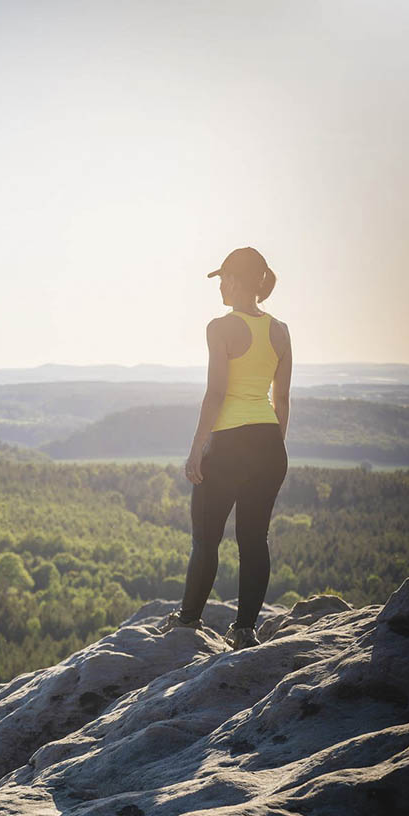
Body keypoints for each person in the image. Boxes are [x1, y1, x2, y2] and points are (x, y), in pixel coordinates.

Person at [160, 246, 291, 649]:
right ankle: (244, 630)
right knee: (254, 538)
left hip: (229, 444)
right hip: (269, 443)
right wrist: (271, 447)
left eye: (222, 278)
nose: (219, 286)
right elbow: (281, 399)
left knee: (206, 538)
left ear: (236, 280)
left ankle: (188, 621)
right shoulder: (280, 330)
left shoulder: (220, 327)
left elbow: (216, 393)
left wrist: (198, 447)